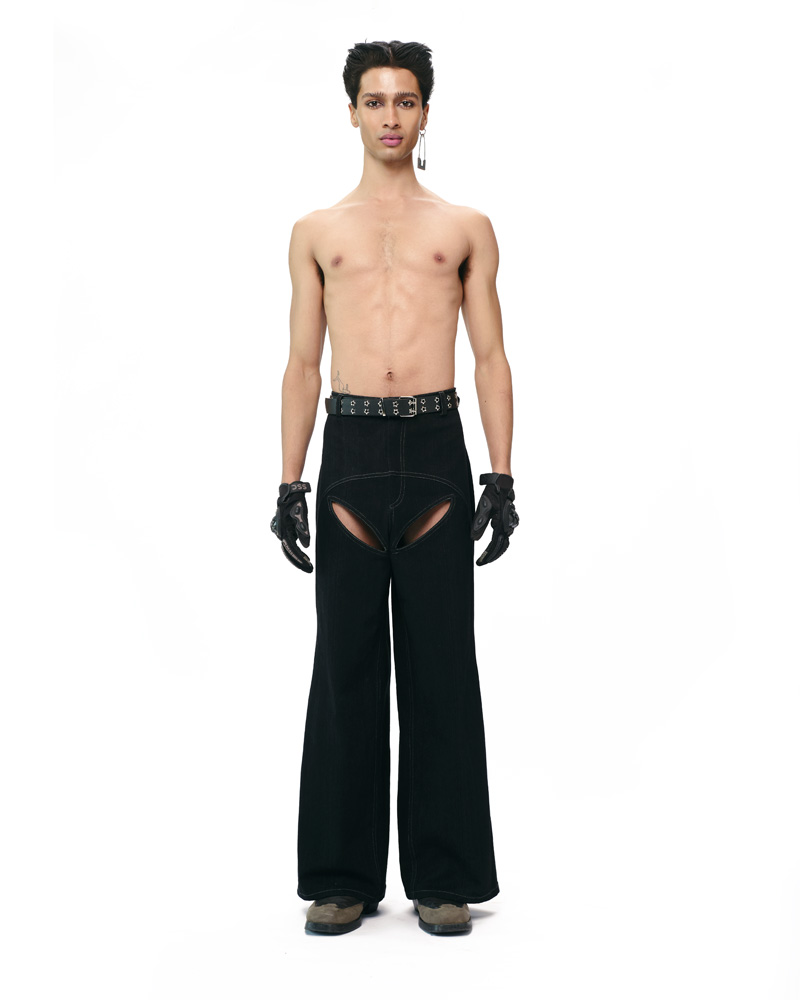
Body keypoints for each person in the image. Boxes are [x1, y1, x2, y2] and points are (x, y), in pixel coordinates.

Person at [270, 40, 519, 936]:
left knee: (442, 666)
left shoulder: (465, 226)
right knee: (346, 669)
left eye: (404, 101)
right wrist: (289, 483)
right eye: (373, 101)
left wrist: (501, 472)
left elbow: (490, 355)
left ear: (424, 113)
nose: (389, 117)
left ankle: (444, 878)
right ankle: (341, 878)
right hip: (351, 449)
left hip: (437, 450)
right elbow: (303, 364)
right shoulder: (316, 232)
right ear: (351, 113)